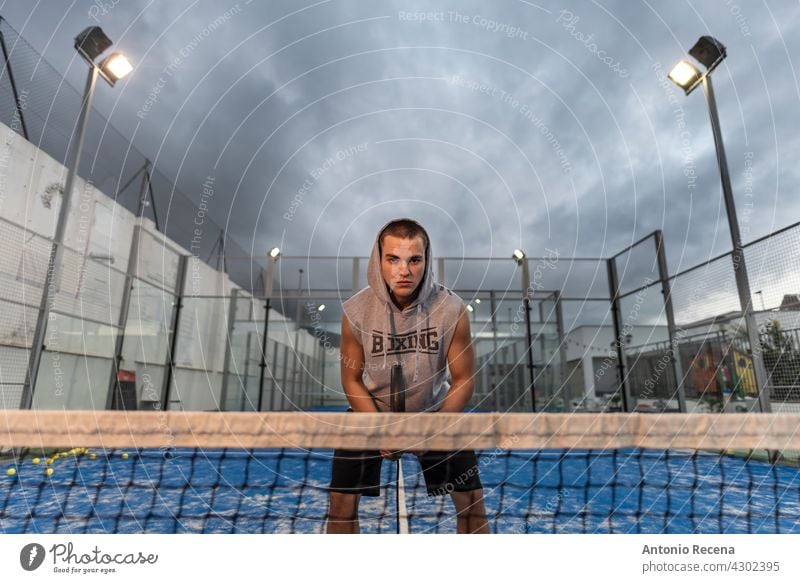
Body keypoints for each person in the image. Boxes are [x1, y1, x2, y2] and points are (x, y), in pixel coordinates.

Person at [327, 218, 489, 534]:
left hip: (435, 413)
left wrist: (433, 427)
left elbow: (464, 379)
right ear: (379, 261)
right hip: (370, 414)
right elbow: (351, 379)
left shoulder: (452, 308)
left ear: (426, 261)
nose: (404, 270)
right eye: (393, 259)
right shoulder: (356, 311)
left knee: (471, 504)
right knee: (340, 505)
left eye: (414, 259)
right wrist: (380, 428)